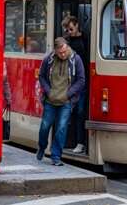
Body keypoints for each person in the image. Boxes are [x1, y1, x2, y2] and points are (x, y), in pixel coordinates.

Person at [36, 37, 85, 166]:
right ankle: (42, 146)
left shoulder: (76, 59)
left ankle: (56, 156)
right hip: (50, 100)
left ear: (67, 47)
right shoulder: (49, 59)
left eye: (65, 51)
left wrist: (68, 94)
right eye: (60, 53)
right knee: (45, 127)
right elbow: (41, 76)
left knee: (61, 128)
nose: (63, 55)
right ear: (55, 51)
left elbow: (81, 80)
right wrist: (48, 91)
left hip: (66, 101)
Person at [62, 16, 89, 154]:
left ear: (77, 25)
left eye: (71, 29)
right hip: (69, 82)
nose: (69, 32)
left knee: (80, 111)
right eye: (67, 29)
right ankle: (67, 141)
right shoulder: (66, 41)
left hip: (82, 81)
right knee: (68, 111)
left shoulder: (86, 39)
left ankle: (80, 142)